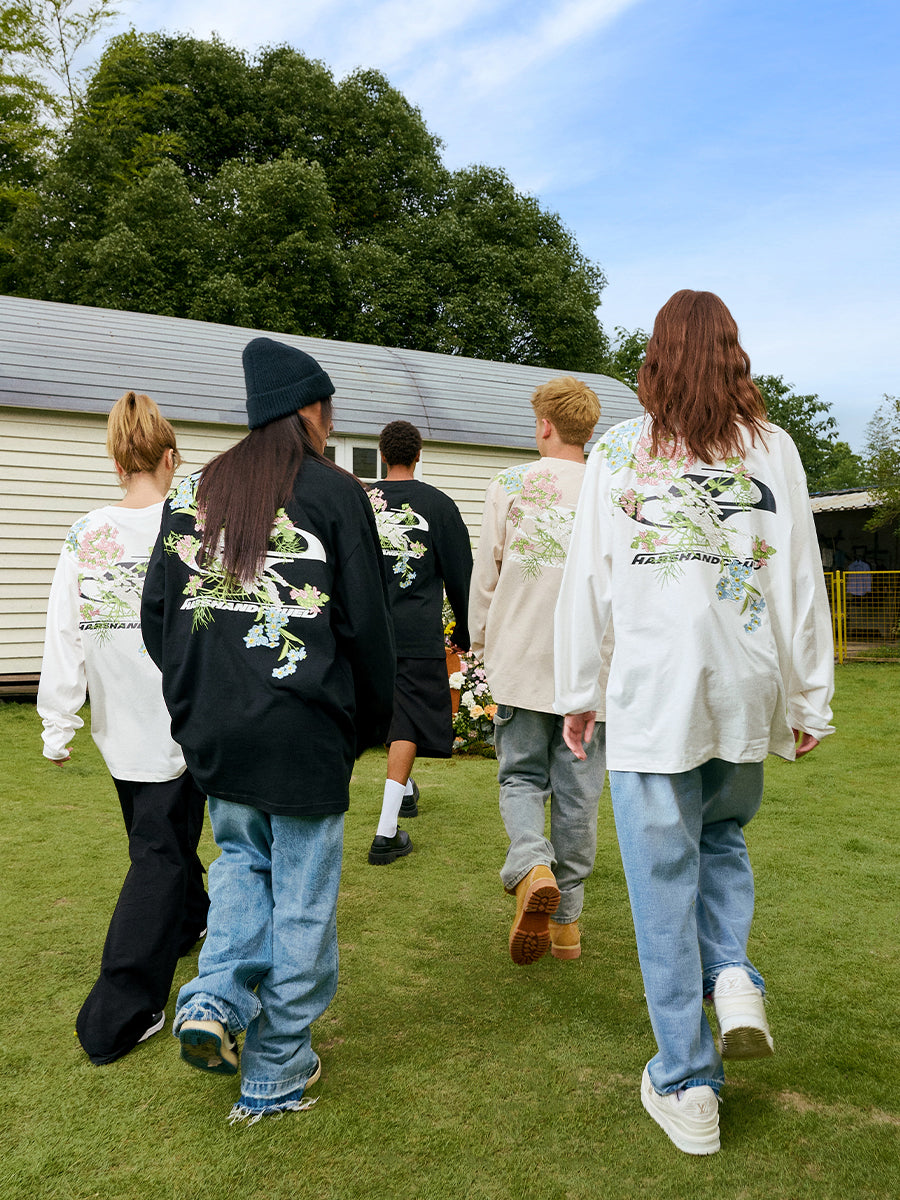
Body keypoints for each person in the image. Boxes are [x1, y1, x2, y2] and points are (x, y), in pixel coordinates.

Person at [554, 290, 835, 1156]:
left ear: (655, 358)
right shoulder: (772, 448)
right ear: (732, 353)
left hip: (653, 692)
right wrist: (809, 698)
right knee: (722, 840)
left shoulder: (617, 451)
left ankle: (687, 1080)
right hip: (743, 686)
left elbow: (588, 579)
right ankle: (734, 975)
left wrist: (578, 691)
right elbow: (799, 576)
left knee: (661, 886)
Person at [141, 337, 395, 1123]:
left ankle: (213, 998)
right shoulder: (335, 492)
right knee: (303, 899)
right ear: (311, 410)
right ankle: (278, 1066)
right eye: (330, 410)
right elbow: (367, 627)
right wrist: (367, 724)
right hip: (303, 728)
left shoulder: (195, 489)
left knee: (241, 864)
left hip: (216, 725)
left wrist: (196, 696)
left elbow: (158, 615)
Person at [37, 390, 209, 1065]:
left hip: (121, 725)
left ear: (117, 463)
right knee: (159, 851)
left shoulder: (85, 533)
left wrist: (59, 722)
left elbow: (63, 632)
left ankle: (189, 922)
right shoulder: (193, 526)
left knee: (157, 837)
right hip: (183, 717)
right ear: (171, 459)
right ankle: (122, 1010)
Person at [469, 377, 607, 965]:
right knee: (579, 795)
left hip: (522, 658)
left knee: (521, 777)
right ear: (588, 430)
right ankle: (567, 927)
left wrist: (479, 644)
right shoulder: (612, 489)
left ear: (545, 425)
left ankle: (531, 864)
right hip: (592, 670)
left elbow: (487, 575)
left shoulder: (508, 485)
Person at [365, 420, 473, 865]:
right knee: (407, 722)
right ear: (418, 455)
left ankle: (405, 787)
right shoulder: (438, 505)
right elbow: (460, 574)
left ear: (382, 455)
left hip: (362, 631)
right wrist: (464, 628)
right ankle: (386, 832)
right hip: (413, 632)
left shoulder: (361, 501)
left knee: (384, 713)